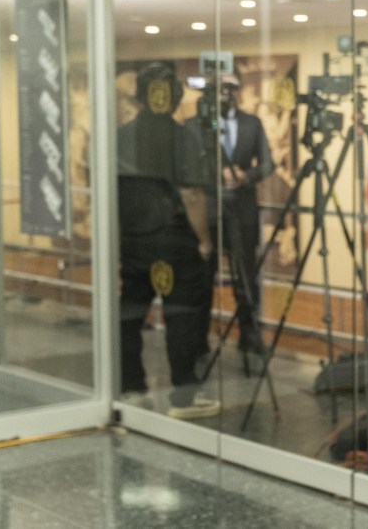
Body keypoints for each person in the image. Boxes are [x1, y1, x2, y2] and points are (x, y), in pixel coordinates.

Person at [117, 61, 220, 419]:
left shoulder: (121, 135)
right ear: (174, 96)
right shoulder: (182, 137)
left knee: (130, 315)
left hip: (134, 241)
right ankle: (184, 396)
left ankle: (131, 388)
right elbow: (192, 194)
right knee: (181, 318)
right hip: (175, 242)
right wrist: (203, 240)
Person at [187, 74, 273, 358]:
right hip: (207, 212)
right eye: (218, 90)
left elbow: (267, 164)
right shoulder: (194, 126)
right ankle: (197, 338)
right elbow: (186, 167)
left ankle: (249, 335)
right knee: (202, 278)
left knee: (246, 276)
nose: (224, 95)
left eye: (229, 89)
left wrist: (245, 176)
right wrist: (216, 175)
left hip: (243, 211)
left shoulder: (252, 123)